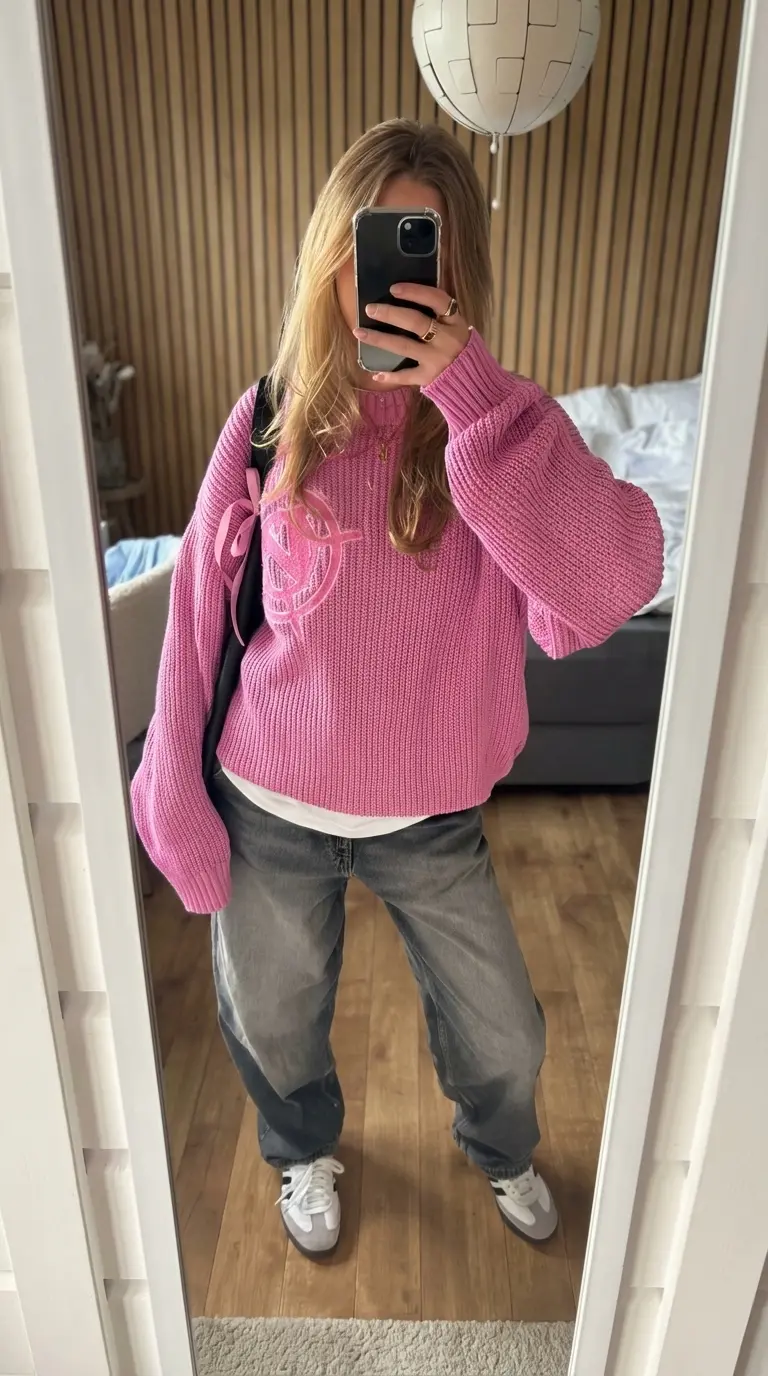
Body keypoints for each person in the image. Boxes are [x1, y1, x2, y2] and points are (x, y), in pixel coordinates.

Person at [132, 119, 663, 1260]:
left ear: (460, 267)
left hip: (432, 812)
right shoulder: (270, 418)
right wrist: (168, 774)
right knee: (272, 1021)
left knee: (507, 1035)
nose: (394, 282)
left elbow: (608, 586)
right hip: (270, 799)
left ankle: (503, 1148)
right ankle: (301, 1149)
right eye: (377, 248)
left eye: (426, 250)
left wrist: (474, 399)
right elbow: (195, 607)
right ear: (334, 257)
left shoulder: (503, 428)